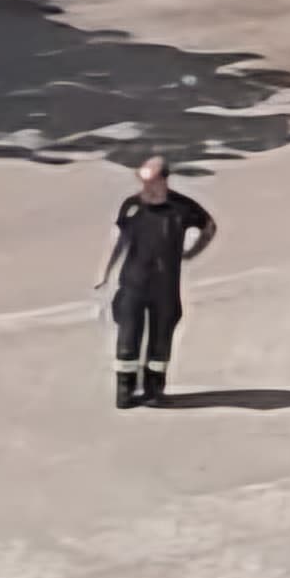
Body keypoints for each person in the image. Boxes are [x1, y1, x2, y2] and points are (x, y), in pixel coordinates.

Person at [94, 155, 215, 409]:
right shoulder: (131, 206)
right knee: (128, 337)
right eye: (142, 181)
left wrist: (192, 252)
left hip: (165, 285)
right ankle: (125, 392)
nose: (145, 187)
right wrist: (105, 273)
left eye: (150, 182)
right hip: (133, 283)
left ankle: (153, 391)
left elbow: (209, 227)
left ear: (163, 180)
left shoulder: (182, 208)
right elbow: (118, 240)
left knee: (161, 339)